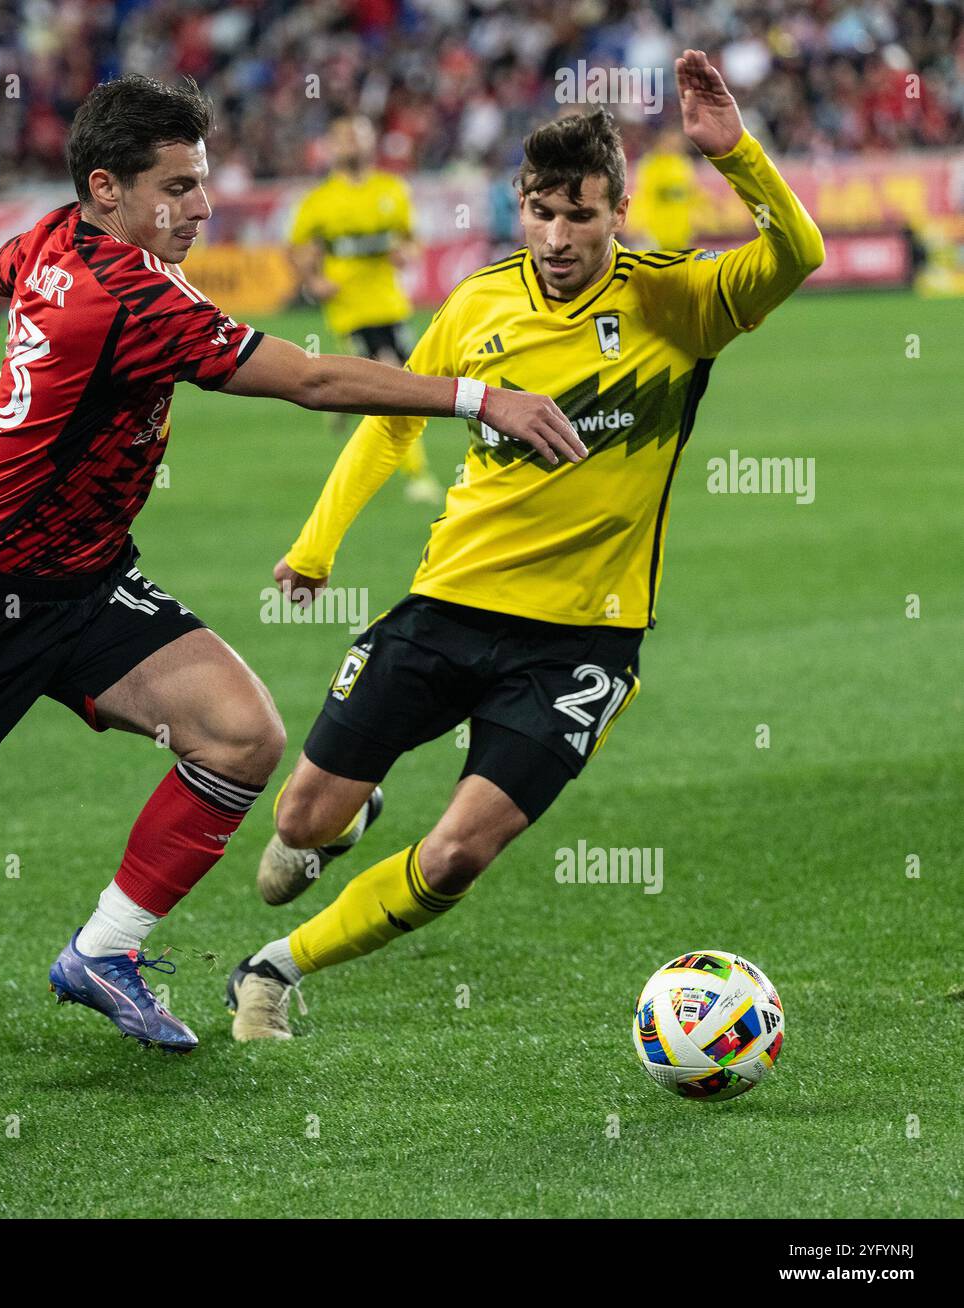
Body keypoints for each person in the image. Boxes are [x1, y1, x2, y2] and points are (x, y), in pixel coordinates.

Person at [0, 74, 584, 1088]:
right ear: (106, 187)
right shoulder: (131, 299)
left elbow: (14, 275)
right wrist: (478, 397)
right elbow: (313, 380)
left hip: (91, 583)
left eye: (204, 181)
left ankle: (103, 952)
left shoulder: (54, 237)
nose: (202, 206)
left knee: (242, 736)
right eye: (178, 186)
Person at [228, 51, 825, 1040]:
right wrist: (316, 545)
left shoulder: (674, 302)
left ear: (615, 212)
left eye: (579, 215)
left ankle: (273, 972)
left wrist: (739, 156)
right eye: (540, 213)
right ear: (519, 207)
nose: (556, 237)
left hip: (581, 644)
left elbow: (796, 252)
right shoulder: (477, 304)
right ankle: (350, 814)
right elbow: (389, 422)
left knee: (460, 853)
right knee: (298, 826)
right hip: (449, 604)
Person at [289, 114, 443, 503]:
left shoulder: (392, 189)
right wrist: (315, 282)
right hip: (350, 307)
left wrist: (405, 254)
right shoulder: (320, 200)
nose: (352, 143)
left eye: (359, 135)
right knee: (393, 380)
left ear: (371, 141)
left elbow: (411, 240)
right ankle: (418, 476)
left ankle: (342, 397)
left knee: (406, 378)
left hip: (391, 302)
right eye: (344, 137)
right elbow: (299, 248)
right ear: (333, 146)